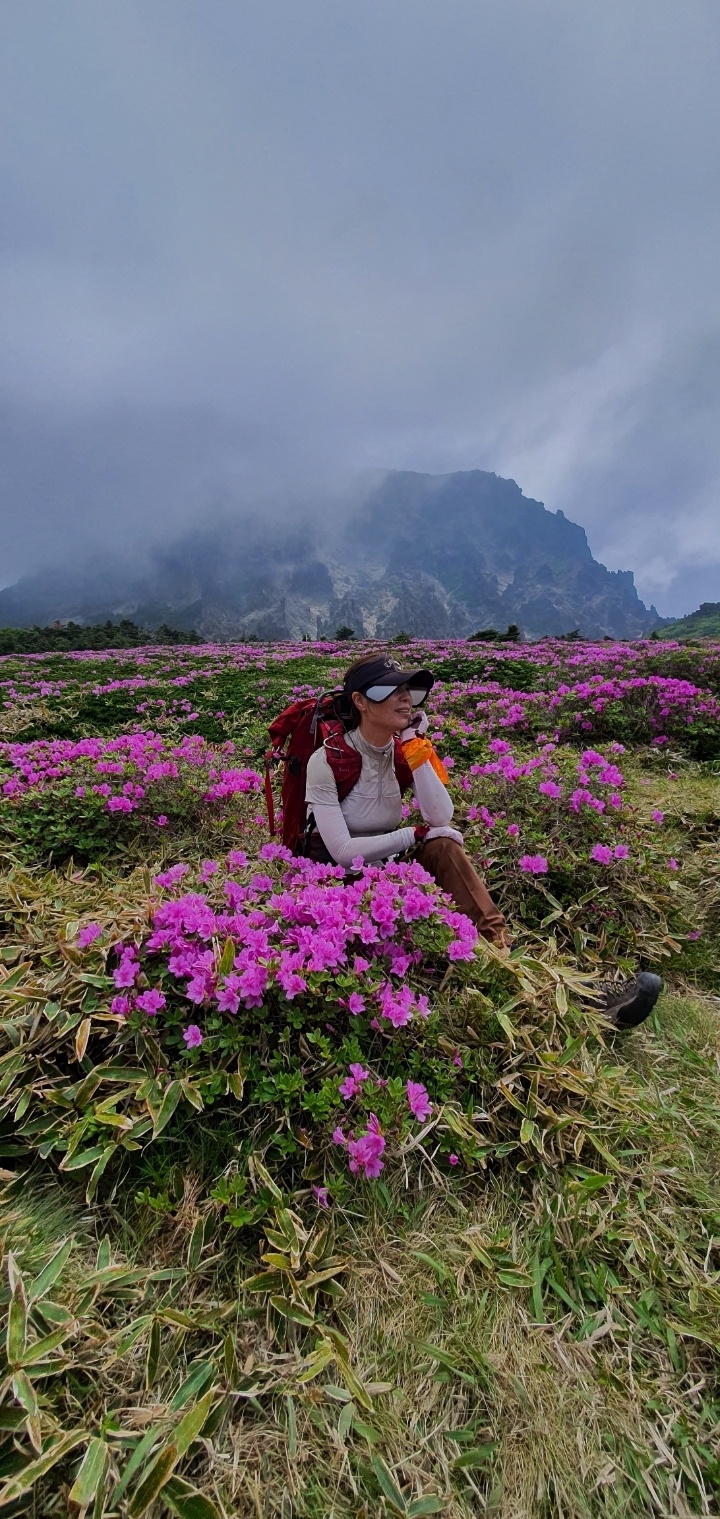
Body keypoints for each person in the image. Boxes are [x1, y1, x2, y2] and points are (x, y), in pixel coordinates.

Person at [304, 652, 663, 1027]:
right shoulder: (326, 761)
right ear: (360, 701)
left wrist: (413, 743)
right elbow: (343, 852)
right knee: (434, 843)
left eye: (407, 689)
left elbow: (440, 817)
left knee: (444, 847)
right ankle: (558, 991)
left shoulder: (401, 750)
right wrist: (415, 833)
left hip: (390, 872)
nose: (405, 697)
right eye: (391, 690)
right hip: (344, 887)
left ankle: (505, 948)